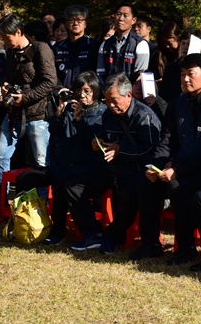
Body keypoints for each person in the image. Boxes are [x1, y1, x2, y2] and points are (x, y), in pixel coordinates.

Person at [136, 54, 201, 268]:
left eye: (191, 74)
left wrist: (177, 169)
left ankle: (186, 247)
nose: (185, 80)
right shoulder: (179, 102)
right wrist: (155, 165)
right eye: (182, 75)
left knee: (177, 186)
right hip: (181, 166)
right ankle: (151, 243)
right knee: (146, 184)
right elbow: (168, 139)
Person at [68, 73, 163, 253]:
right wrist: (97, 143)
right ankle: (94, 233)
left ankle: (113, 236)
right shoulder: (108, 114)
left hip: (135, 170)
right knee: (73, 187)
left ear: (128, 95)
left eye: (114, 100)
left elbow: (150, 150)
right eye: (107, 101)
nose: (110, 105)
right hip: (110, 167)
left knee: (128, 194)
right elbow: (103, 136)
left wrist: (120, 149)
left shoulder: (144, 116)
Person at [14, 71, 107, 245]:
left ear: (95, 90)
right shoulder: (70, 110)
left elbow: (91, 142)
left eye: (87, 91)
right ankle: (23, 223)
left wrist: (79, 118)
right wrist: (58, 113)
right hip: (64, 165)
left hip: (88, 168)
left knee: (63, 184)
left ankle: (87, 233)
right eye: (79, 91)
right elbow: (54, 132)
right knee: (25, 179)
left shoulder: (101, 112)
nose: (83, 96)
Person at [0, 14, 57, 184]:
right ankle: (1, 197)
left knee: (41, 163)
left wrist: (25, 98)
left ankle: (44, 204)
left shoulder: (41, 49)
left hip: (38, 115)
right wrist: (8, 89)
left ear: (18, 32)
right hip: (14, 113)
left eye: (7, 37)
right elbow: (14, 80)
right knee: (0, 155)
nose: (5, 41)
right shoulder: (10, 52)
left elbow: (50, 82)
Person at [97, 3, 150, 82]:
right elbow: (100, 73)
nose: (121, 18)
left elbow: (140, 76)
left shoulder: (140, 44)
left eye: (125, 15)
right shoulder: (105, 44)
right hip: (108, 92)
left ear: (133, 20)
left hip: (130, 93)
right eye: (118, 14)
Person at [53, 5, 99, 90]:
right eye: (71, 20)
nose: (75, 23)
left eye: (79, 20)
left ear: (85, 23)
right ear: (66, 23)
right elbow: (53, 73)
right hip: (62, 95)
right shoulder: (57, 47)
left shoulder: (94, 45)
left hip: (85, 95)